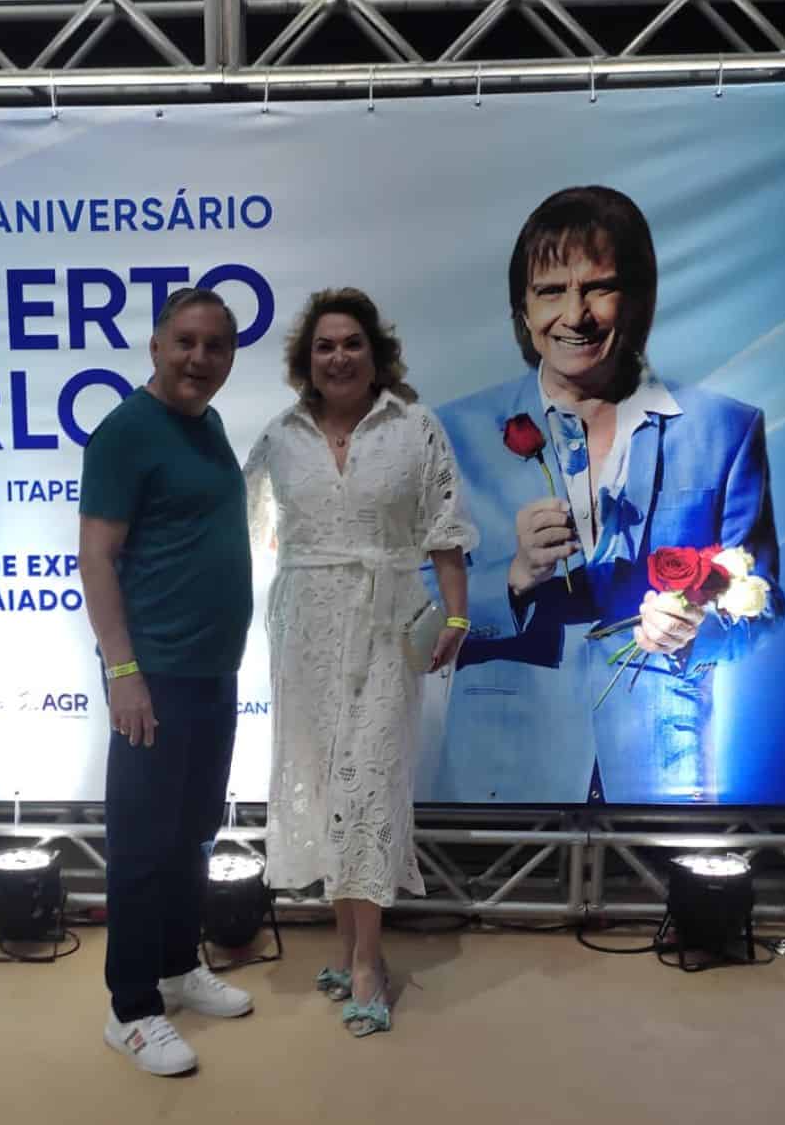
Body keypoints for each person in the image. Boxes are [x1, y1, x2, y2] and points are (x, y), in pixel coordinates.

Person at [424, 185, 785, 805]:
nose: (575, 315)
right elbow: (412, 608)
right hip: (502, 771)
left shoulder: (725, 429)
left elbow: (764, 602)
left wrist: (699, 628)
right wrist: (510, 579)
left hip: (660, 768)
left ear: (639, 297)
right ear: (522, 311)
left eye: (598, 288)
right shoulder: (453, 433)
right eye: (550, 291)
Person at [244, 287, 477, 1036]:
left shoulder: (415, 427)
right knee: (324, 784)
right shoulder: (280, 437)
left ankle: (370, 961)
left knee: (371, 783)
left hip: (386, 625)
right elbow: (241, 527)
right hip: (306, 629)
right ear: (305, 360)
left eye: (352, 343)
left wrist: (457, 613)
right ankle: (344, 946)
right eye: (325, 345)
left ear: (376, 355)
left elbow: (445, 528)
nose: (338, 357)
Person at [79, 287, 255, 1077]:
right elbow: (96, 557)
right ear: (156, 345)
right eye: (186, 341)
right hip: (153, 674)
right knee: (144, 845)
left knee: (192, 832)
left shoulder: (205, 424)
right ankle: (130, 1008)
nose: (200, 358)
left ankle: (179, 966)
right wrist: (123, 672)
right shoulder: (125, 431)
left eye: (216, 345)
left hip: (212, 670)